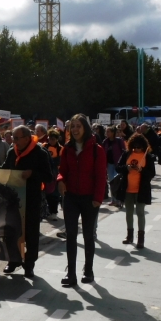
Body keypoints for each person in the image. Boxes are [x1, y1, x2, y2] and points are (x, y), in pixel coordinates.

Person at [57, 114, 106, 287]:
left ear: (85, 128)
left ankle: (89, 270)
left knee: (88, 236)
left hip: (89, 199)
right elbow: (62, 170)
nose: (75, 129)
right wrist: (61, 180)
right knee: (70, 235)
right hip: (70, 198)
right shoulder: (66, 149)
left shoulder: (96, 149)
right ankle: (71, 274)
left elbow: (101, 176)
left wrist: (98, 198)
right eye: (73, 127)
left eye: (78, 126)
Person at [1, 125, 52, 278]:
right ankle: (13, 260)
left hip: (31, 200)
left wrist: (33, 174)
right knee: (11, 231)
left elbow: (49, 176)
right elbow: (4, 170)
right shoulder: (12, 152)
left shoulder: (40, 153)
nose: (13, 141)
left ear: (27, 138)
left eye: (16, 138)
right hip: (13, 200)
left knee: (30, 234)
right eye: (13, 138)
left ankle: (29, 264)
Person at [115, 133, 155, 249]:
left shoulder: (147, 156)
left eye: (139, 147)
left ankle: (141, 239)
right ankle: (129, 236)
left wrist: (141, 170)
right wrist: (126, 168)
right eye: (134, 147)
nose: (136, 149)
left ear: (143, 146)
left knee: (140, 212)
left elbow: (151, 174)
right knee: (128, 213)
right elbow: (118, 167)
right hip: (127, 189)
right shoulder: (127, 154)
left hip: (141, 189)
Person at [102, 125, 126, 207]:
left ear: (113, 133)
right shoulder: (105, 142)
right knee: (112, 182)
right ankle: (113, 199)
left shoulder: (119, 141)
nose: (107, 133)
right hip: (109, 164)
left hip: (118, 164)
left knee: (118, 182)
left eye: (108, 131)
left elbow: (124, 152)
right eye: (106, 131)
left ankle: (119, 199)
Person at [44, 129, 63, 221]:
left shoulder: (60, 149)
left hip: (55, 173)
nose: (51, 141)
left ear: (56, 139)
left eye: (53, 139)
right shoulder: (44, 146)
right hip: (45, 172)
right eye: (49, 139)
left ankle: (54, 212)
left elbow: (61, 162)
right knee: (46, 193)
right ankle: (47, 211)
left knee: (54, 193)